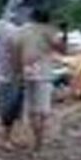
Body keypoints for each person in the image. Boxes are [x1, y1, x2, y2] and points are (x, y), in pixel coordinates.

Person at [14, 8, 65, 152]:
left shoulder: (23, 30)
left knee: (31, 109)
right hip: (44, 72)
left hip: (28, 70)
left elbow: (16, 49)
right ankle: (39, 141)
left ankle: (35, 138)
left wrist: (17, 70)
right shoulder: (49, 31)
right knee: (42, 110)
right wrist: (64, 33)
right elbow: (62, 49)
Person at [0, 18, 23, 149]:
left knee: (13, 110)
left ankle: (9, 137)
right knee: (9, 110)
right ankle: (5, 139)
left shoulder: (0, 45)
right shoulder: (7, 45)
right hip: (8, 79)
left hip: (6, 78)